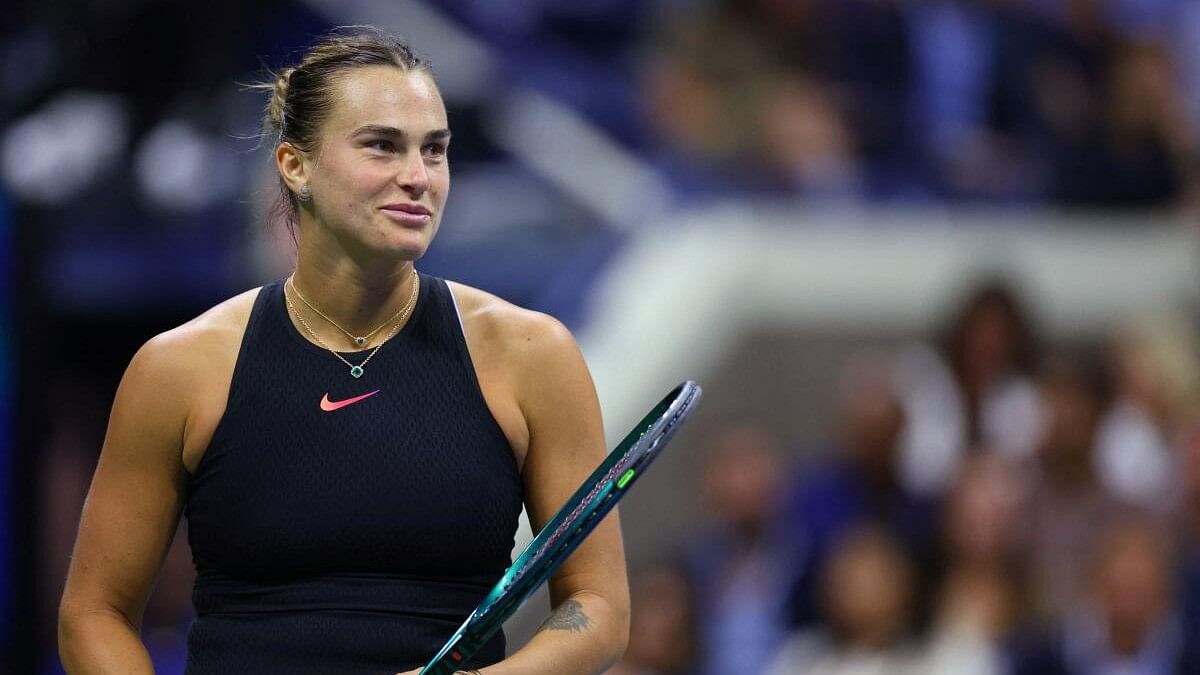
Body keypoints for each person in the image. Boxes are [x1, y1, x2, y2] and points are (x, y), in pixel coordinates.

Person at [56, 27, 630, 674]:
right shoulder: (179, 367)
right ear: (295, 165)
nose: (418, 177)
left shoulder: (533, 353)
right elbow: (93, 613)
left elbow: (597, 605)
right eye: (382, 146)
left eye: (434, 151)